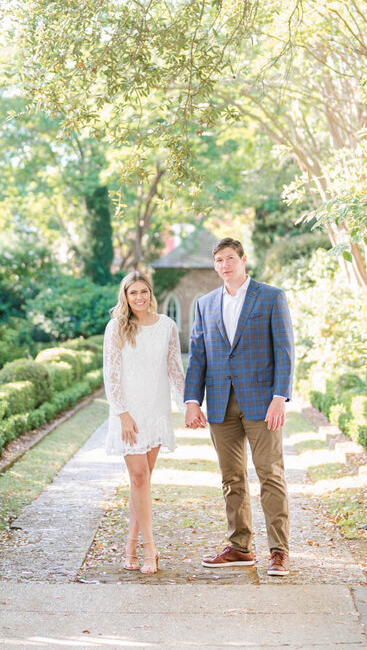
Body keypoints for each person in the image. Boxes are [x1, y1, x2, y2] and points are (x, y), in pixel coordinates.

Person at [184, 237, 295, 576]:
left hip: (262, 404)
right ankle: (240, 548)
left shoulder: (271, 297)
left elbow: (285, 350)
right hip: (220, 404)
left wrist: (280, 396)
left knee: (270, 476)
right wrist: (192, 401)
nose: (224, 265)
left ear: (244, 259)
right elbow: (198, 357)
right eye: (218, 260)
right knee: (231, 478)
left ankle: (279, 552)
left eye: (230, 258)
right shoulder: (205, 304)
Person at [103, 270, 185, 574]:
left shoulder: (167, 327)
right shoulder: (117, 328)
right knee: (138, 477)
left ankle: (130, 544)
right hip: (128, 415)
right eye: (132, 292)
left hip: (156, 411)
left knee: (143, 482)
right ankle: (150, 547)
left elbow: (175, 369)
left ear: (151, 294)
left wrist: (188, 404)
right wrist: (122, 413)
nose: (139, 297)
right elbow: (111, 374)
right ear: (125, 296)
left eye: (144, 292)